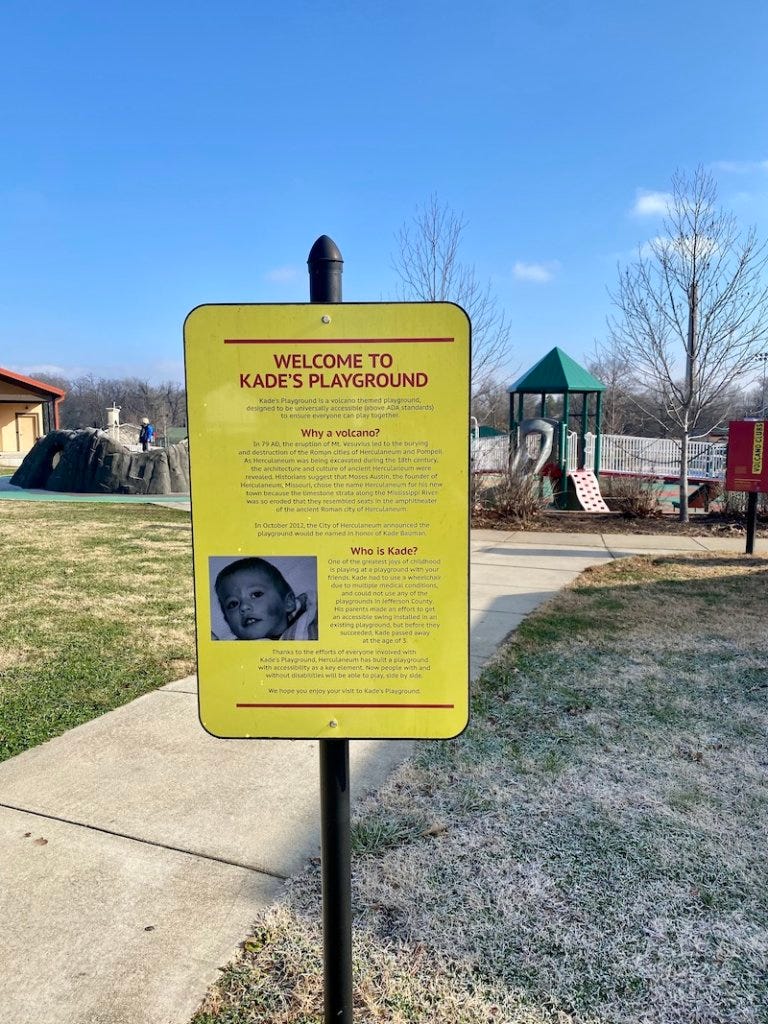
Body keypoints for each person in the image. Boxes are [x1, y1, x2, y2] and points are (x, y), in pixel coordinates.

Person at [213, 557, 318, 640]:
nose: (243, 606)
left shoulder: (311, 622)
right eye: (233, 604)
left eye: (256, 594)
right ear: (227, 620)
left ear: (288, 602)